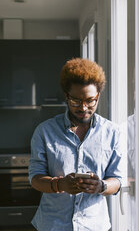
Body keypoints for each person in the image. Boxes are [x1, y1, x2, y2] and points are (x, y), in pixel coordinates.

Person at [28, 58, 123, 231]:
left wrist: (101, 186)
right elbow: (35, 179)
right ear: (66, 96)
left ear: (98, 96)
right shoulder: (44, 131)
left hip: (94, 226)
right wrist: (60, 185)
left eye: (90, 100)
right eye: (76, 101)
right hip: (53, 225)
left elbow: (117, 180)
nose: (83, 107)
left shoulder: (112, 133)